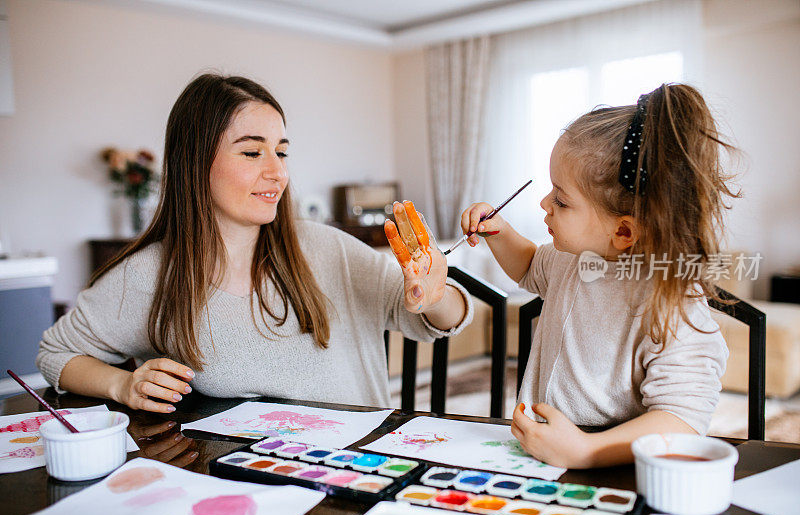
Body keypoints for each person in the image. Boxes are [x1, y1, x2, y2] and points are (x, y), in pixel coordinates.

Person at [37, 74, 472, 413]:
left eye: (281, 152)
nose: (278, 172)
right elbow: (56, 352)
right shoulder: (150, 275)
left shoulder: (328, 249)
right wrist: (122, 384)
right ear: (194, 162)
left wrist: (435, 297)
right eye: (251, 153)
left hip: (356, 471)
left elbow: (438, 317)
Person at [461, 84, 734, 468]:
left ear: (623, 232)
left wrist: (587, 451)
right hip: (544, 452)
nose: (544, 204)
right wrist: (499, 232)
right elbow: (526, 266)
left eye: (561, 199)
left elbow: (682, 419)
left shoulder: (672, 298)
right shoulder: (571, 260)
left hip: (613, 465)